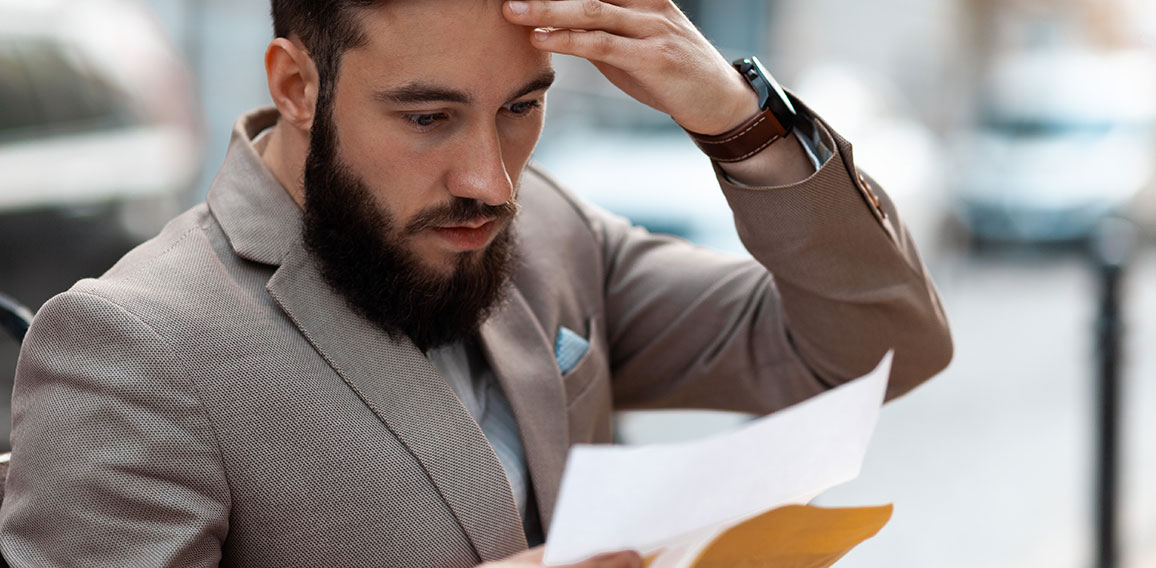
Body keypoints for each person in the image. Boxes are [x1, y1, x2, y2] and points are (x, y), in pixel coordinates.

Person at [0, 0, 952, 566]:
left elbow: (882, 349)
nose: (491, 182)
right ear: (296, 86)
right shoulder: (130, 345)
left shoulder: (554, 238)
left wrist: (739, 120)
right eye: (427, 118)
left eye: (520, 108)